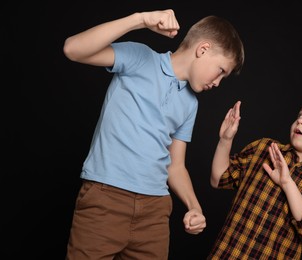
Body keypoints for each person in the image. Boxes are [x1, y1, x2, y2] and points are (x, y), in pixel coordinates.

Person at [63, 9, 244, 260]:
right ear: (203, 49)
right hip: (106, 199)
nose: (218, 83)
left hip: (155, 212)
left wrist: (195, 207)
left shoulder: (191, 103)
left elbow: (176, 166)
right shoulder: (141, 58)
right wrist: (139, 20)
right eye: (221, 70)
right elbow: (73, 48)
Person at [207, 93, 302, 259]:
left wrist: (287, 183)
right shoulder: (263, 149)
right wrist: (225, 140)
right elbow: (219, 178)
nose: (301, 120)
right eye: (301, 114)